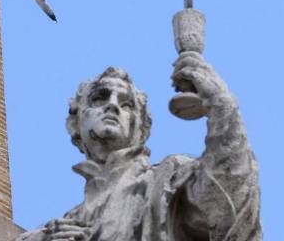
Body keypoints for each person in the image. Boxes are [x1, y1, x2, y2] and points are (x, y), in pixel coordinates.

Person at [16, 56, 261, 241]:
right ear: (75, 123)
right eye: (100, 98)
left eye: (126, 104)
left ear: (141, 129)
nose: (112, 106)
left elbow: (229, 207)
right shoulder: (60, 227)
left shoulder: (168, 181)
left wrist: (223, 107)